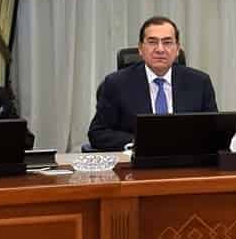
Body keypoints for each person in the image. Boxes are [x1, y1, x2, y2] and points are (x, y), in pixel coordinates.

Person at [86, 16, 218, 150]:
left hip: (186, 158)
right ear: (140, 49)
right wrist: (139, 142)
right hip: (138, 159)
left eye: (167, 42)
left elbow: (214, 131)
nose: (160, 49)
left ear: (177, 49)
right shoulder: (116, 84)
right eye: (152, 42)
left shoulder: (199, 83)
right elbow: (98, 133)